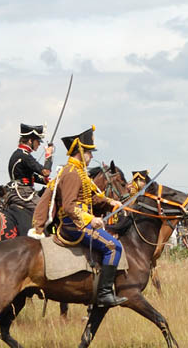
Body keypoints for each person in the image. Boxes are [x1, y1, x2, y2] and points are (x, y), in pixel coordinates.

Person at [36, 126, 126, 307]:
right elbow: (69, 206)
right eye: (89, 152)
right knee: (113, 247)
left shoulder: (79, 172)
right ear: (81, 151)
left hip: (79, 222)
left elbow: (91, 196)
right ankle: (104, 293)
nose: (91, 156)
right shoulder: (71, 173)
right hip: (73, 225)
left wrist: (110, 203)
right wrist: (90, 219)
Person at [7, 123, 54, 236]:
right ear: (30, 141)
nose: (38, 144)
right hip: (23, 192)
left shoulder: (20, 154)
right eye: (37, 141)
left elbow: (32, 176)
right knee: (46, 210)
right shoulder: (24, 155)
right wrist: (48, 156)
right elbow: (45, 172)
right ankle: (38, 236)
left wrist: (48, 181)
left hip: (20, 189)